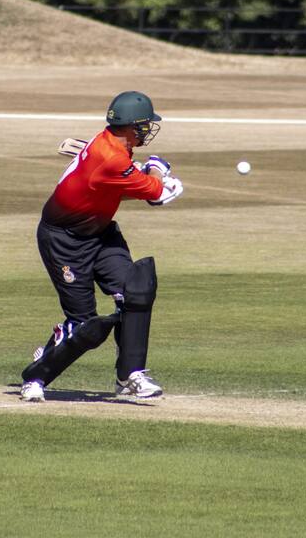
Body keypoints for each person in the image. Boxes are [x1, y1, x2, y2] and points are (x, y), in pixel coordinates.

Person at [20, 91, 184, 402]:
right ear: (130, 126)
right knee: (86, 326)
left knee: (136, 291)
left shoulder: (111, 145)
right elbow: (157, 195)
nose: (147, 130)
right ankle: (37, 375)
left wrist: (145, 175)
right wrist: (157, 169)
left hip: (100, 233)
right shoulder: (111, 158)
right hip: (64, 241)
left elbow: (121, 187)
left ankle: (130, 376)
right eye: (144, 126)